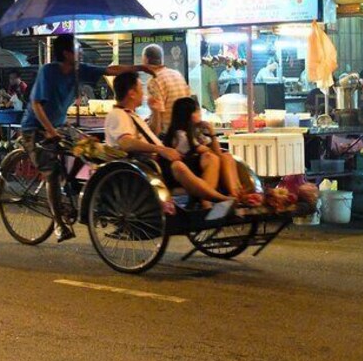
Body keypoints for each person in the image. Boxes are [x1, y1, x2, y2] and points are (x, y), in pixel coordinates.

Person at [20, 34, 156, 242]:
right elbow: (37, 104)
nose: (81, 51)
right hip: (36, 128)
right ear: (66, 53)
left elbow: (111, 70)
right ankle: (58, 222)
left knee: (89, 151)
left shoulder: (79, 70)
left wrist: (140, 68)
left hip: (59, 126)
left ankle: (78, 195)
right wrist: (50, 131)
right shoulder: (48, 72)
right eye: (77, 48)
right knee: (52, 173)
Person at [105, 73, 233, 213]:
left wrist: (156, 112)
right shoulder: (117, 115)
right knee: (179, 165)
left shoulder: (131, 114)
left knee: (213, 158)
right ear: (131, 93)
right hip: (151, 165)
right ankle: (217, 200)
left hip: (161, 159)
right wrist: (161, 150)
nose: (143, 93)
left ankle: (212, 200)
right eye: (140, 88)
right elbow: (126, 143)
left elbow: (152, 133)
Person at [141, 44, 191, 136]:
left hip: (168, 136)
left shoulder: (154, 81)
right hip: (185, 133)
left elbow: (158, 119)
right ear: (161, 59)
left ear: (146, 60)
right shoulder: (177, 74)